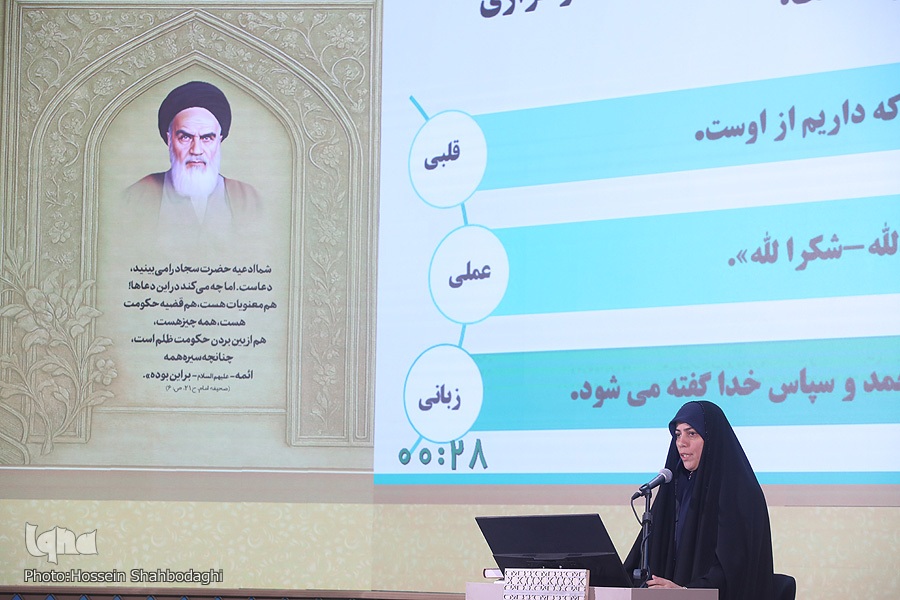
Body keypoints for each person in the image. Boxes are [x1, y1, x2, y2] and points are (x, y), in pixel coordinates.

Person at [623, 400, 776, 600]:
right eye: (678, 434)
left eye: (692, 433)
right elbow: (645, 554)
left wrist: (686, 592)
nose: (681, 442)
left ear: (712, 439)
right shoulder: (674, 487)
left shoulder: (740, 493)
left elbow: (735, 569)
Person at [125, 80, 262, 244]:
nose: (196, 150)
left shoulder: (248, 199)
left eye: (206, 138)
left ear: (219, 141)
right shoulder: (136, 196)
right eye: (185, 137)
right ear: (169, 140)